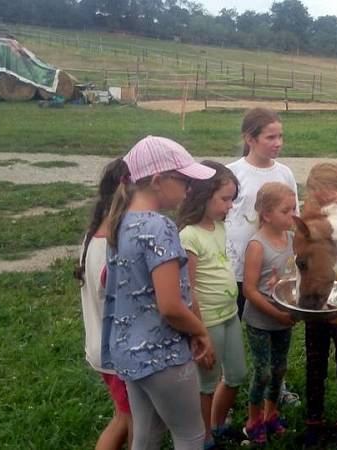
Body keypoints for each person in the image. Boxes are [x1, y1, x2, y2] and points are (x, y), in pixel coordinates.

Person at [101, 135, 216, 450]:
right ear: (156, 180)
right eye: (183, 180)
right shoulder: (159, 228)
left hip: (129, 351)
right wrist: (201, 331)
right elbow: (171, 307)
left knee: (147, 435)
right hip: (161, 354)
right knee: (190, 434)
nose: (189, 189)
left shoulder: (120, 220)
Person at [177, 161, 247, 450]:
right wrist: (198, 331)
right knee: (206, 385)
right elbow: (187, 288)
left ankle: (217, 425)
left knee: (237, 375)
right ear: (203, 196)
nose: (230, 206)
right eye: (225, 199)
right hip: (208, 322)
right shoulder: (188, 235)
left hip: (231, 315)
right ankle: (204, 438)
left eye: (232, 199)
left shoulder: (218, 226)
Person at [299, 162, 337, 448]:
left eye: (330, 196)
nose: (328, 205)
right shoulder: (312, 223)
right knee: (315, 363)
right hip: (317, 306)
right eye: (320, 198)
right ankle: (314, 421)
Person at [75, 157, 133, 450]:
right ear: (126, 188)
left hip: (102, 346)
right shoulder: (114, 244)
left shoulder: (94, 234)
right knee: (130, 420)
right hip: (116, 353)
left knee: (125, 414)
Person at [225, 107, 298, 319]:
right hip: (236, 268)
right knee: (234, 322)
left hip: (273, 270)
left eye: (280, 136)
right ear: (250, 139)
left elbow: (294, 219)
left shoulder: (285, 174)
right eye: (271, 137)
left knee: (270, 324)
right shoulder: (233, 173)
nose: (278, 143)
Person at [241, 182, 299, 446]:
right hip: (261, 322)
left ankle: (271, 413)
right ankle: (253, 421)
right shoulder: (257, 245)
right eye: (286, 211)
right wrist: (276, 314)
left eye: (294, 209)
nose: (293, 215)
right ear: (266, 215)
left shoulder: (291, 239)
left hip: (284, 320)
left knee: (279, 369)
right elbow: (250, 290)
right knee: (262, 372)